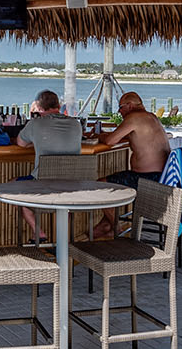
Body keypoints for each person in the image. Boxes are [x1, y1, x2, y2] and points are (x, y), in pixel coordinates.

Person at [91, 91, 170, 237]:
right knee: (114, 182)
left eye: (121, 107)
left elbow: (110, 141)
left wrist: (97, 135)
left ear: (130, 105)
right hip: (162, 178)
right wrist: (104, 134)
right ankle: (106, 225)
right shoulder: (151, 117)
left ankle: (116, 229)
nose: (119, 111)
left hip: (147, 180)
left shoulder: (134, 117)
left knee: (100, 185)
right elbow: (126, 136)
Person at [14, 89, 81, 241]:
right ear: (59, 105)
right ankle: (62, 240)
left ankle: (38, 231)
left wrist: (36, 140)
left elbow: (21, 144)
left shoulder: (36, 123)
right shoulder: (75, 124)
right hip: (73, 186)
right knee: (64, 201)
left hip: (44, 185)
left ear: (38, 107)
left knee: (13, 188)